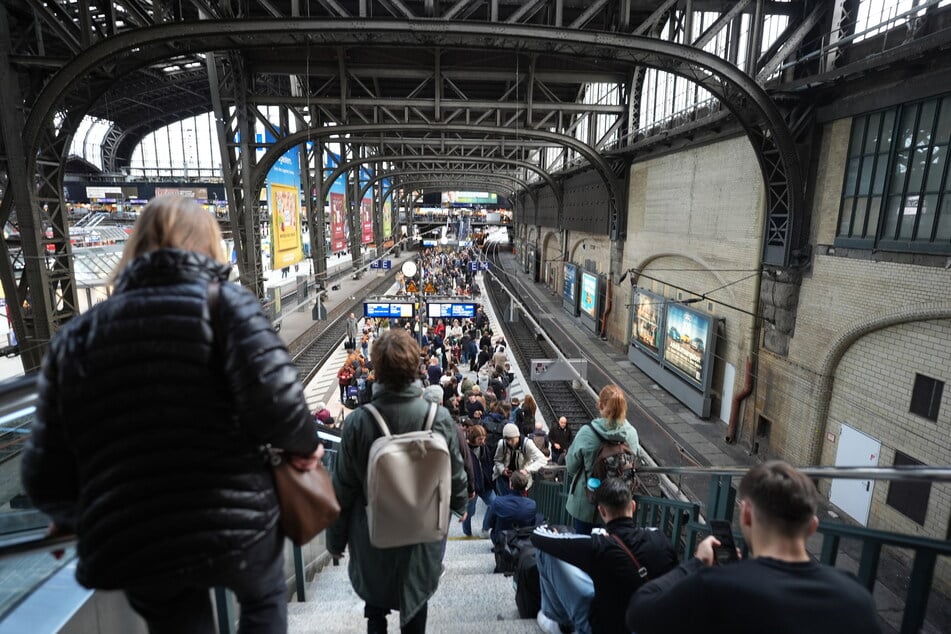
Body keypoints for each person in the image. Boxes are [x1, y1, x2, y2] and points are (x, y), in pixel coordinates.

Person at [21, 195, 320, 634]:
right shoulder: (227, 305)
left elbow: (44, 472)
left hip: (136, 537)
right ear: (209, 246)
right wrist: (306, 448)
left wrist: (72, 515)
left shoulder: (76, 337)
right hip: (232, 522)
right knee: (264, 598)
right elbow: (281, 403)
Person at [626, 462, 882, 634]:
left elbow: (639, 612)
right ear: (812, 526)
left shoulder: (714, 585)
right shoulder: (857, 598)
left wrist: (695, 564)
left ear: (746, 514)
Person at [326, 329, 469, 634]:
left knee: (375, 607)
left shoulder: (358, 422)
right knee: (416, 603)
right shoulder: (438, 417)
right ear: (415, 368)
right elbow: (455, 473)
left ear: (377, 369)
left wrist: (336, 542)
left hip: (372, 535)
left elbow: (342, 489)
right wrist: (460, 504)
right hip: (421, 534)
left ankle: (376, 623)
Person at [532, 478, 678, 634]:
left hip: (603, 628)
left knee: (546, 552)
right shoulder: (659, 538)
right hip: (652, 624)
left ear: (601, 511)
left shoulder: (598, 546)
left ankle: (559, 623)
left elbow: (537, 537)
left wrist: (550, 531)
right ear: (633, 506)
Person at [566, 385, 639, 535]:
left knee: (584, 549)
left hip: (587, 504)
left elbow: (571, 467)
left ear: (600, 405)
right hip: (619, 508)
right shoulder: (631, 434)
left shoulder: (587, 433)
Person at [483, 471, 538, 545]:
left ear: (511, 485)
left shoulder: (498, 501)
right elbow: (532, 523)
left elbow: (490, 523)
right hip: (523, 539)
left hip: (502, 540)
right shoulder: (532, 504)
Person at [493, 423, 548, 495]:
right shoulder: (502, 444)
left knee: (516, 502)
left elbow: (542, 460)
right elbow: (497, 460)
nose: (509, 443)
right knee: (504, 502)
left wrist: (527, 470)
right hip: (504, 479)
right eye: (507, 440)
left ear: (517, 436)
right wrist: (502, 470)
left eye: (511, 439)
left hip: (520, 480)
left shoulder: (527, 444)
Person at [463, 425, 496, 537]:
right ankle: (467, 532)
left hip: (485, 483)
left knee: (494, 503)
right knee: (469, 511)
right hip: (471, 486)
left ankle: (485, 528)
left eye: (483, 438)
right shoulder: (464, 449)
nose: (483, 441)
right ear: (473, 438)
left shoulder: (483, 447)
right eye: (480, 439)